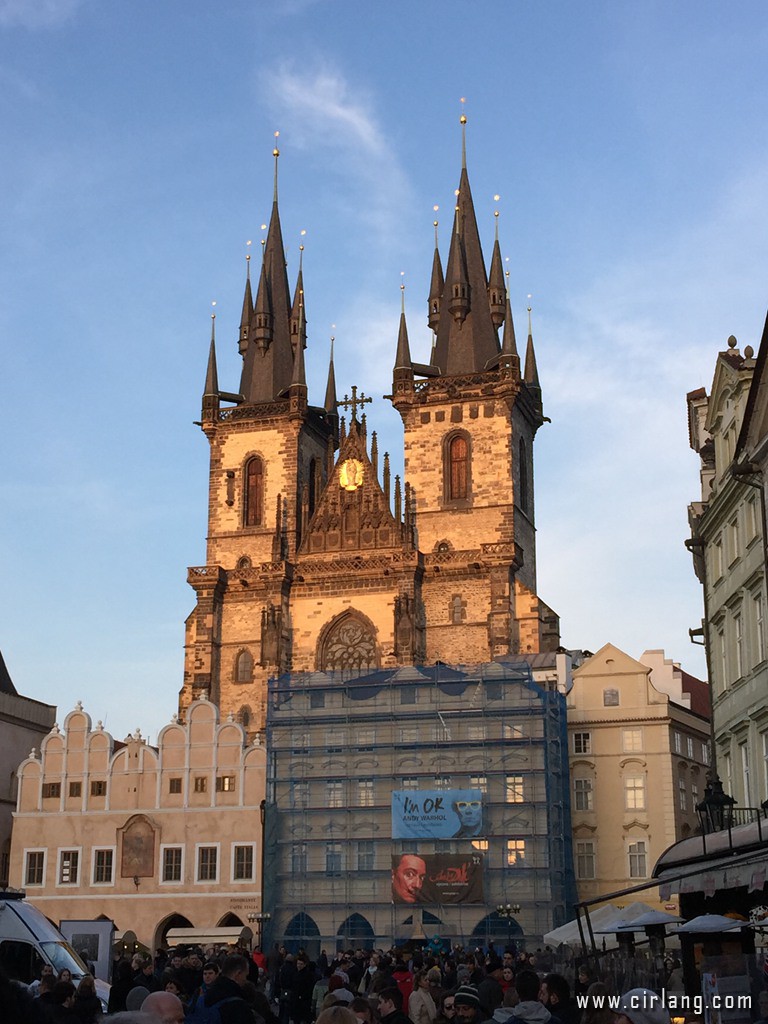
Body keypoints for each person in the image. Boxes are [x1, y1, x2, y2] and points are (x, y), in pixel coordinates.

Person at [202, 953, 253, 1023]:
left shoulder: (204, 996)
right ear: (238, 973)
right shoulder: (238, 1005)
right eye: (245, 976)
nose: (245, 980)